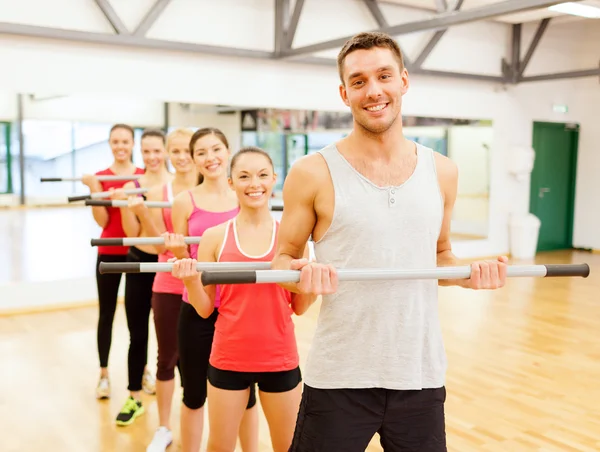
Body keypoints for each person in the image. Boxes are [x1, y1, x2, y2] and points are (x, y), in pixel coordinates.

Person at [271, 31, 508, 451]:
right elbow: (282, 262)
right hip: (340, 376)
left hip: (419, 374)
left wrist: (470, 274)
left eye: (384, 76)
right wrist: (300, 274)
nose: (374, 90)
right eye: (359, 81)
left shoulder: (443, 171)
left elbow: (440, 256)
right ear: (344, 93)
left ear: (404, 80)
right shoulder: (313, 171)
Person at [171, 147, 315, 452]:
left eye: (263, 175)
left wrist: (312, 282)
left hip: (279, 357)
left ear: (275, 179)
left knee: (288, 446)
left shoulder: (291, 238)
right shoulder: (214, 237)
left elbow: (300, 307)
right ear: (231, 181)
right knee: (220, 446)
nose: (255, 183)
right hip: (229, 357)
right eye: (244, 176)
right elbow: (205, 307)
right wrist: (190, 280)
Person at [164, 128, 259, 452]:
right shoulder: (183, 202)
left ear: (228, 150)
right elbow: (183, 259)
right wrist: (178, 255)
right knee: (193, 393)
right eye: (201, 152)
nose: (210, 158)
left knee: (247, 395)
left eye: (216, 149)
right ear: (193, 159)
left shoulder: (245, 194)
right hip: (198, 308)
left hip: (240, 310)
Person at [127, 127, 198, 451]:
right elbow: (157, 247)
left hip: (208, 285)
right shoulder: (159, 191)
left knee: (207, 362)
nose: (182, 157)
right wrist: (141, 211)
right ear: (169, 154)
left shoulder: (209, 189)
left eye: (188, 151)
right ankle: (164, 427)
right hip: (169, 284)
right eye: (176, 151)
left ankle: (197, 423)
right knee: (166, 357)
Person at [111, 129, 173, 426]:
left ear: (165, 151)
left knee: (173, 338)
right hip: (139, 261)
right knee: (137, 333)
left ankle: (186, 398)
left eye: (156, 150)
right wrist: (126, 204)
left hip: (168, 266)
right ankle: (134, 396)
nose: (151, 157)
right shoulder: (132, 186)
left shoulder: (177, 187)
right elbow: (131, 234)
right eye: (146, 151)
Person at [81, 123, 145, 401]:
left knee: (138, 320)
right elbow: (103, 222)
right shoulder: (101, 178)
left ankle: (142, 371)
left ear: (133, 144)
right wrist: (96, 190)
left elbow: (145, 221)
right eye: (115, 142)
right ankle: (104, 374)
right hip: (108, 251)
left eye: (125, 142)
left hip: (138, 253)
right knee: (106, 314)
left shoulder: (144, 177)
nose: (120, 147)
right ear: (110, 144)